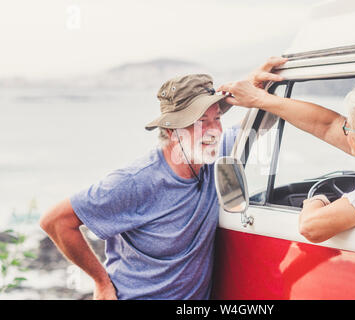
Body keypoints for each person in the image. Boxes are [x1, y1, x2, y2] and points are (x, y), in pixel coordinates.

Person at [40, 74, 238, 300]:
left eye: (218, 119)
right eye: (201, 121)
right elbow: (55, 221)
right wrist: (101, 281)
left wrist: (262, 84)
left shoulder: (213, 158)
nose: (215, 131)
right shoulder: (136, 181)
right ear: (173, 131)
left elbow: (260, 119)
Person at [218, 57, 355, 244]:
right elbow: (327, 125)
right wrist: (259, 98)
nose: (343, 131)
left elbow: (310, 227)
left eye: (348, 127)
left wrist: (316, 199)